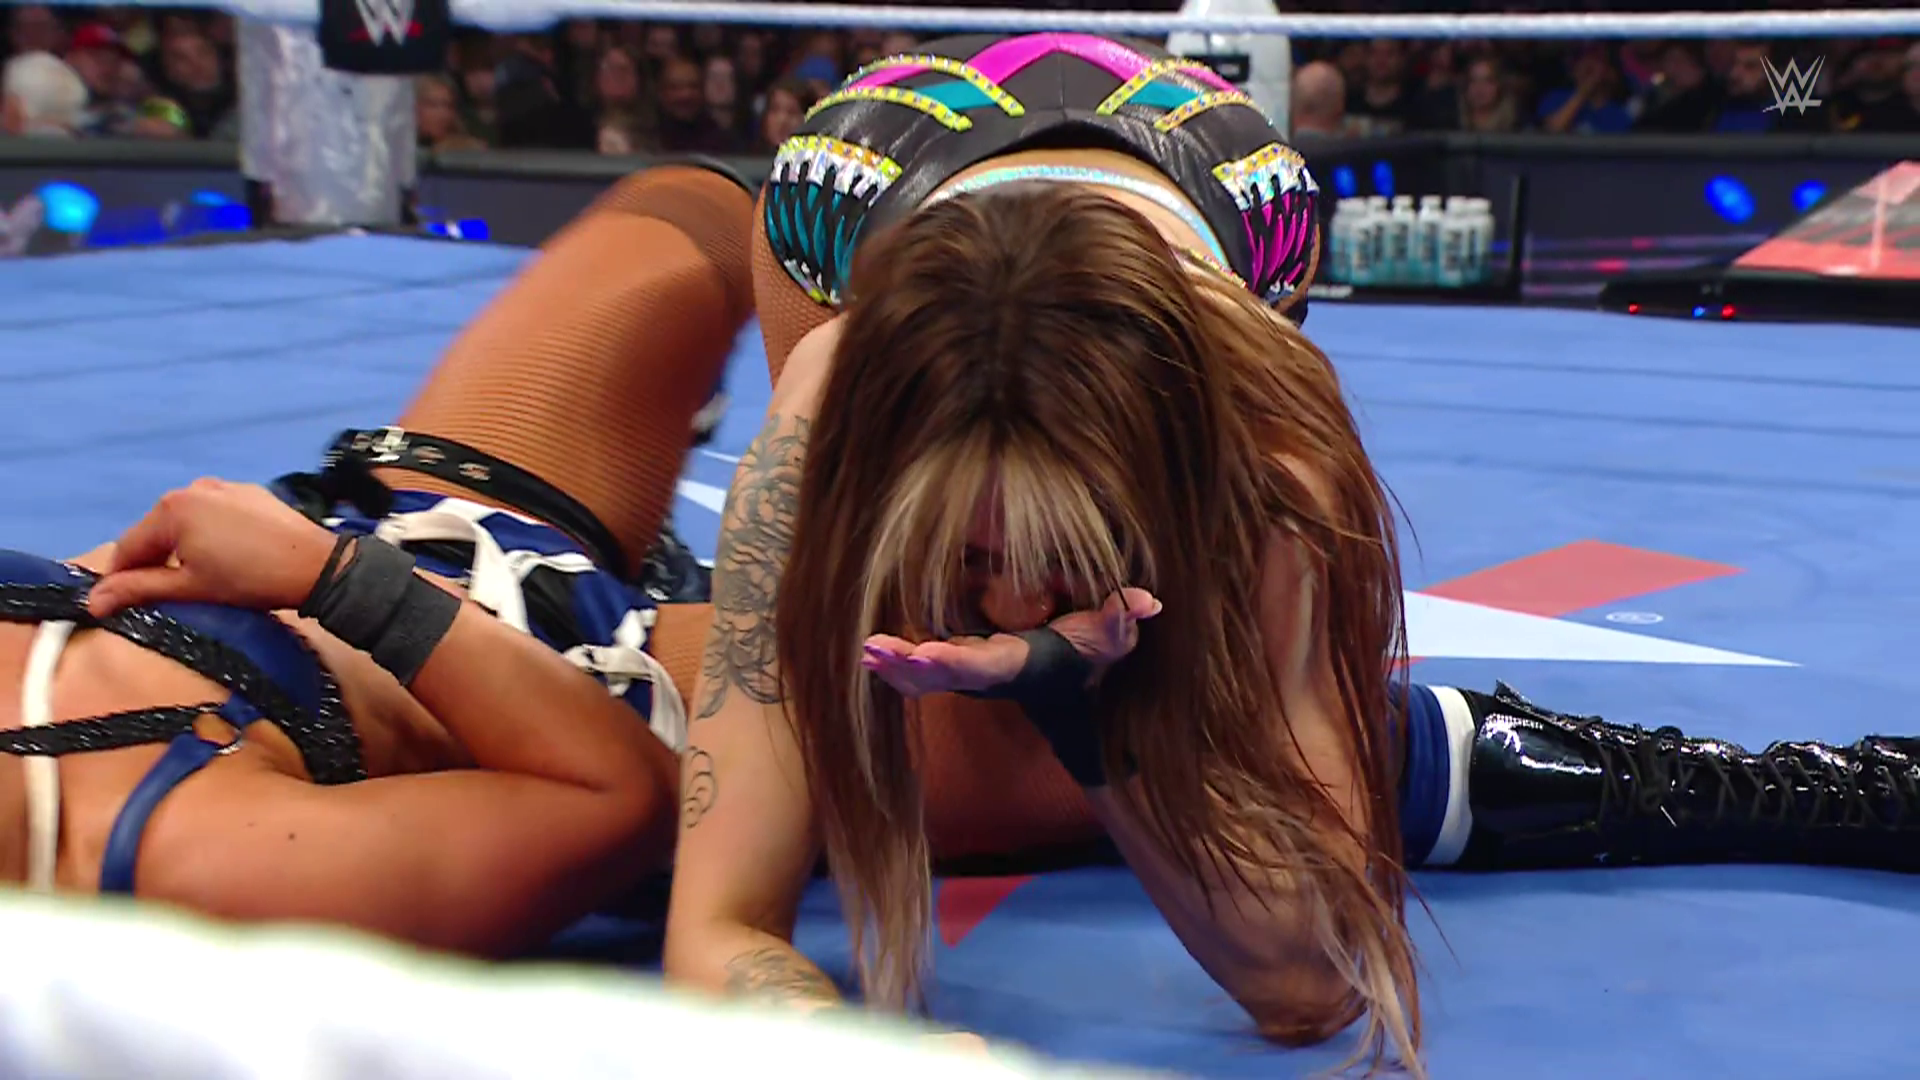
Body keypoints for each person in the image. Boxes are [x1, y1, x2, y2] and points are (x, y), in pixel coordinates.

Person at [659, 30, 1920, 1075]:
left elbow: (1311, 985)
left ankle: (1773, 786)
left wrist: (1087, 710)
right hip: (864, 175)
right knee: (882, 721)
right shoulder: (818, 431)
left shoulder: (1265, 452)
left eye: (1059, 554)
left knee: (1185, 704)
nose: (1016, 599)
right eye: (974, 553)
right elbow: (714, 931)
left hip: (1218, 183)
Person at [0, 164, 749, 956]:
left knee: (724, 207)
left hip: (390, 524)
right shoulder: (189, 861)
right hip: (583, 688)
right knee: (855, 644)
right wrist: (335, 580)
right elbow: (622, 797)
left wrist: (325, 555)